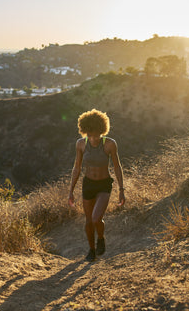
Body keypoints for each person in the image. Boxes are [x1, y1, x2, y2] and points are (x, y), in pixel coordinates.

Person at [68, 109, 125, 262]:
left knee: (95, 218)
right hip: (88, 184)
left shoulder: (110, 144)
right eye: (90, 135)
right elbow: (77, 168)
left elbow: (117, 166)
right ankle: (92, 250)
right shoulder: (80, 144)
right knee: (88, 221)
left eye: (96, 135)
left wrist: (121, 190)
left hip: (104, 184)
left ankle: (101, 238)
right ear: (85, 131)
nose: (93, 138)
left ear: (102, 130)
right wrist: (71, 191)